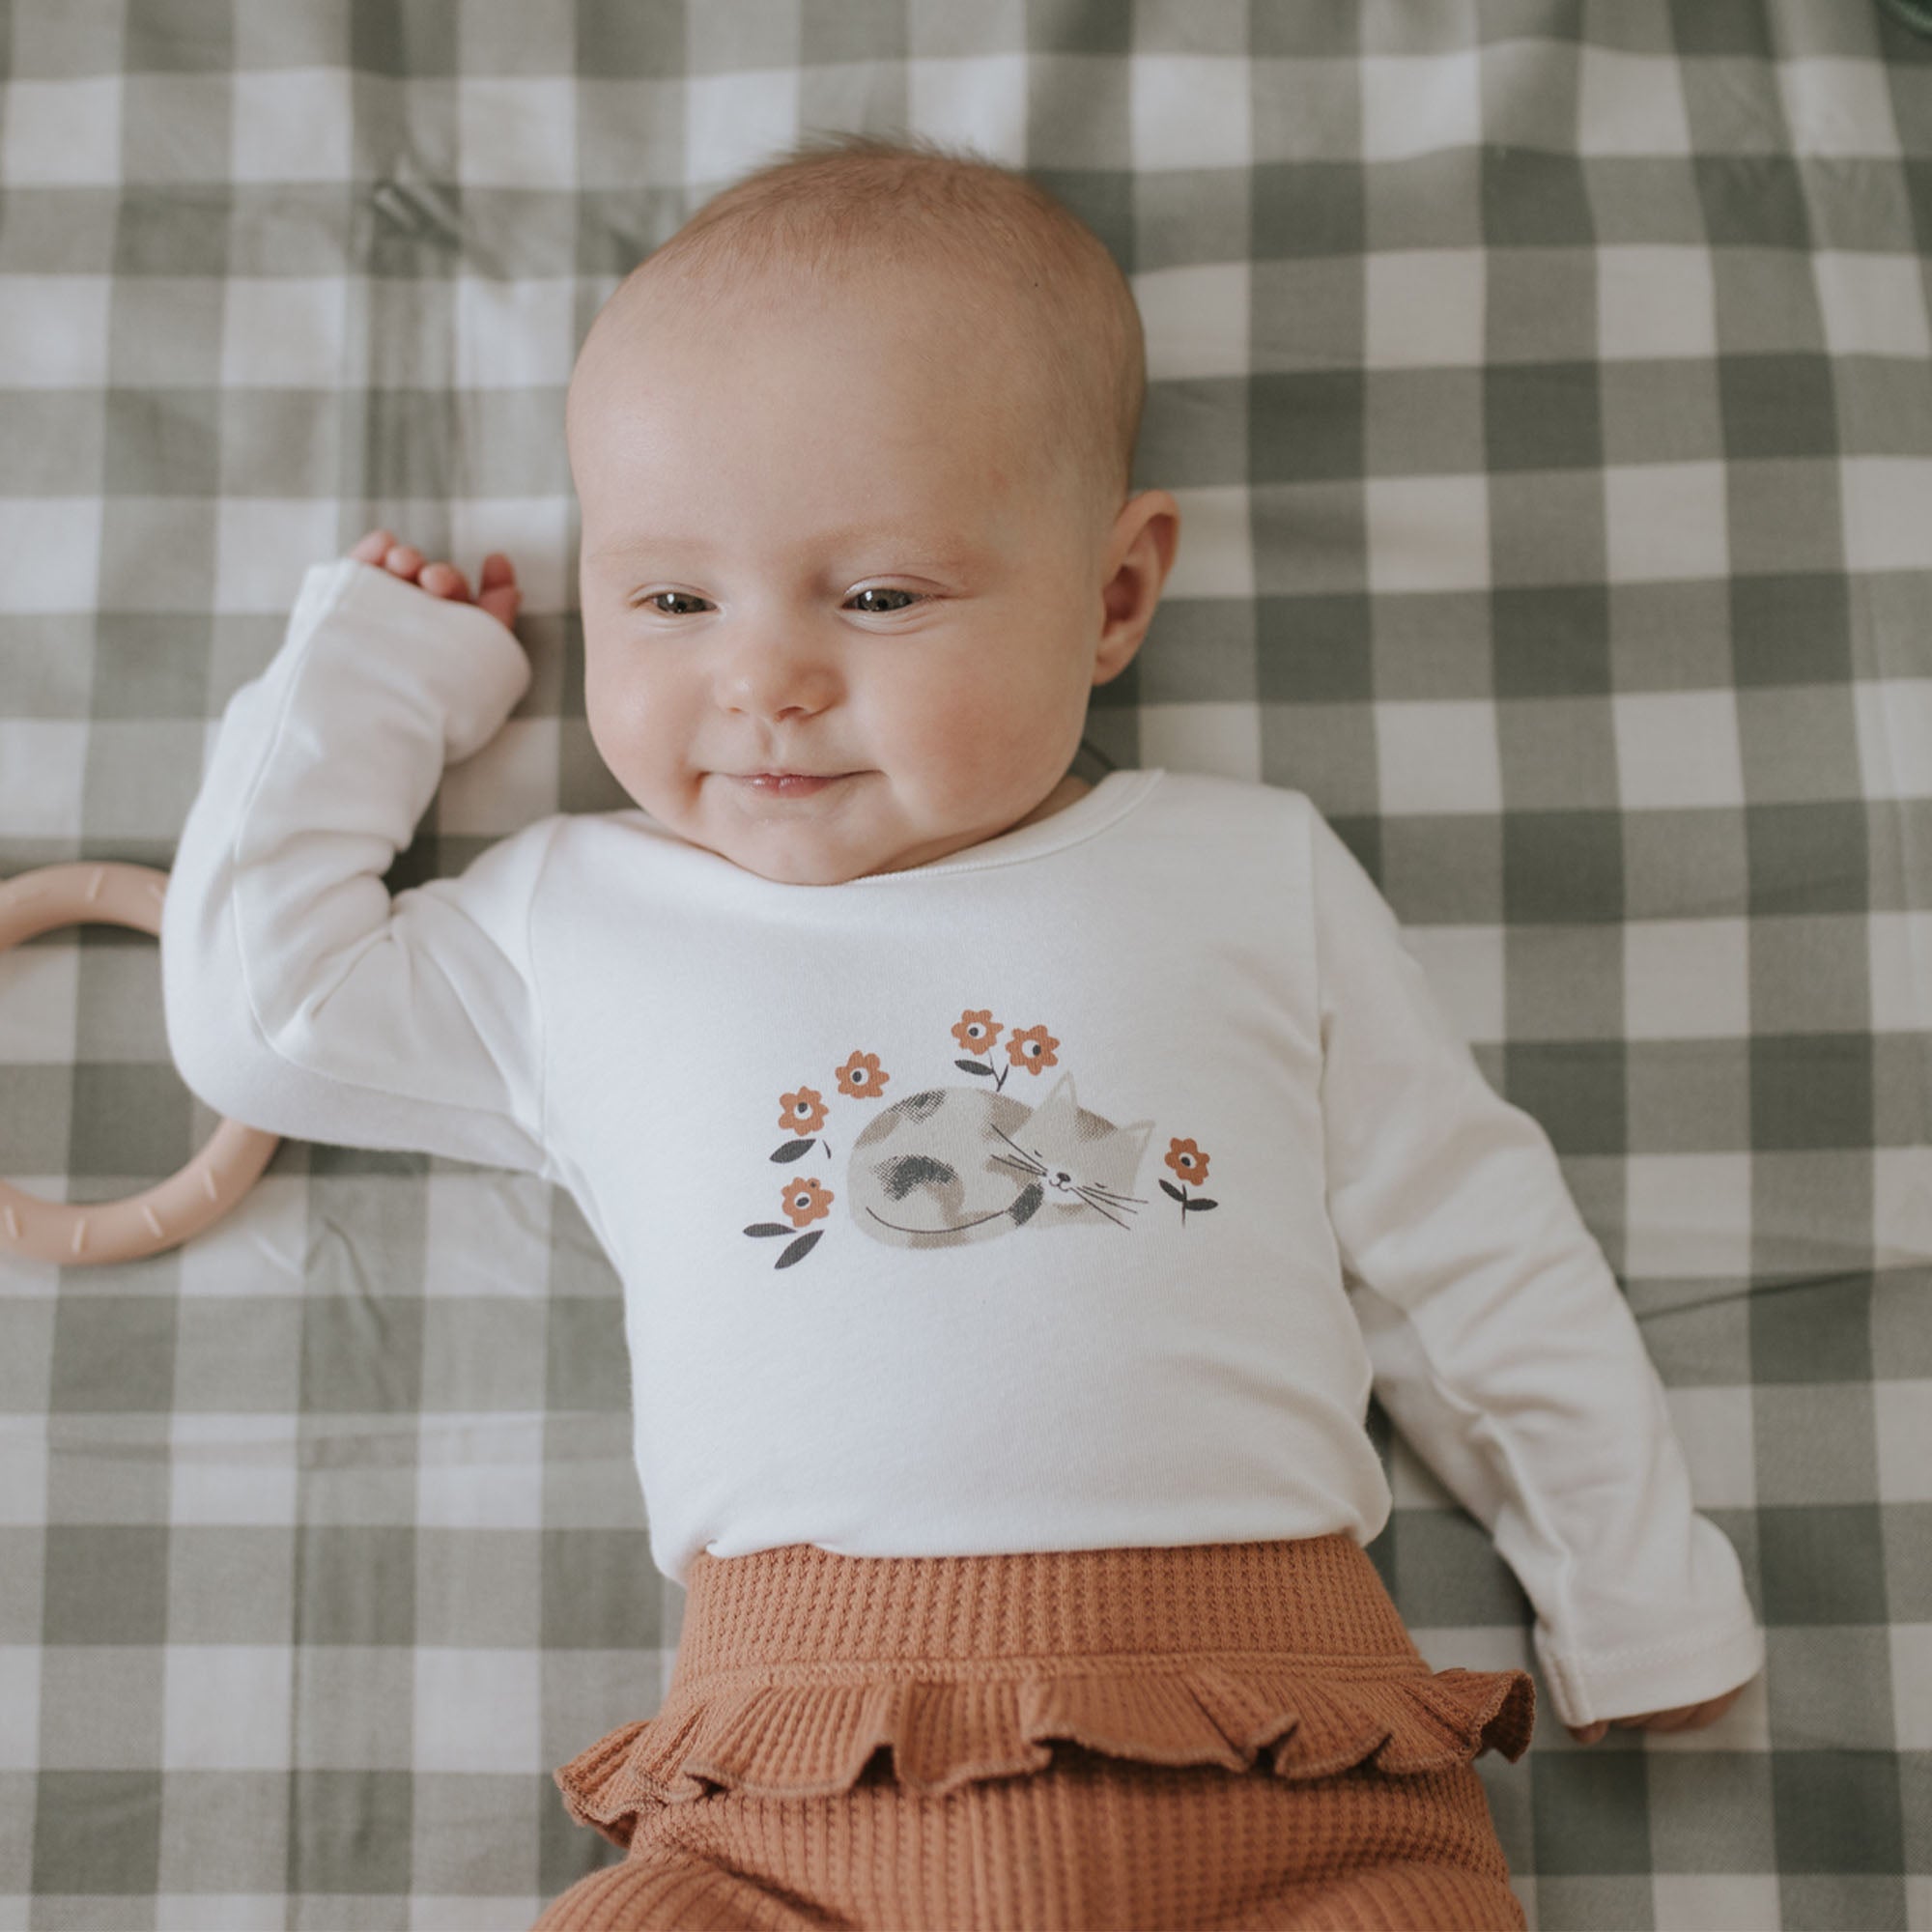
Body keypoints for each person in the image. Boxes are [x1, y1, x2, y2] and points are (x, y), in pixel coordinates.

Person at [161, 132, 1762, 1931]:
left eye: (879, 597)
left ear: (1113, 597)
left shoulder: (1245, 873)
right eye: (673, 600)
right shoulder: (579, 923)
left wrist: (1635, 1587)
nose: (764, 680)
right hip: (789, 1809)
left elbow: (1467, 1244)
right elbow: (262, 1012)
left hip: (1298, 1784)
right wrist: (379, 680)